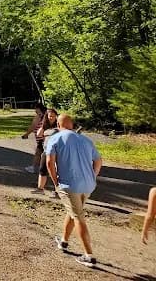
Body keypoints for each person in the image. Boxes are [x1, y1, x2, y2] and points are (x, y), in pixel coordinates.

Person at [46, 113, 102, 268]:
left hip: (69, 185)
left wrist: (56, 183)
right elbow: (98, 161)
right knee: (73, 210)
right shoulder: (85, 139)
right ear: (71, 124)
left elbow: (50, 162)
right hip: (88, 185)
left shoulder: (55, 138)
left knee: (78, 216)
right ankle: (63, 241)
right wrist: (93, 176)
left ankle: (89, 255)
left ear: (58, 125)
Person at [30, 108, 59, 196]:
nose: (52, 118)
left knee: (57, 171)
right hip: (46, 150)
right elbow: (39, 134)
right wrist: (43, 126)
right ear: (46, 116)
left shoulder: (59, 125)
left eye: (54, 116)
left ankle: (57, 191)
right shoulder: (45, 125)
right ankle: (40, 189)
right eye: (50, 116)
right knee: (42, 169)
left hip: (57, 152)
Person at [21, 103, 46, 173]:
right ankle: (40, 167)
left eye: (36, 109)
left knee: (38, 153)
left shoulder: (39, 117)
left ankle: (35, 168)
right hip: (44, 138)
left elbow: (32, 126)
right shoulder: (46, 115)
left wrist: (26, 134)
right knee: (44, 153)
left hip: (42, 138)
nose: (35, 111)